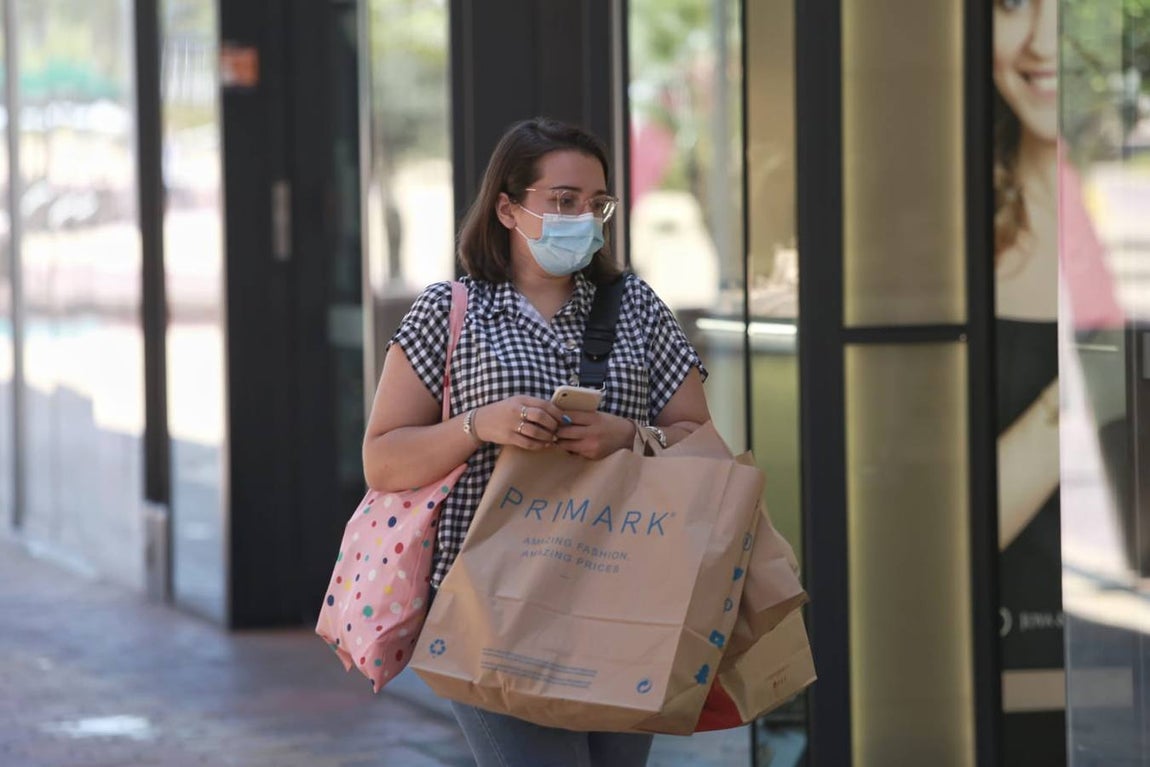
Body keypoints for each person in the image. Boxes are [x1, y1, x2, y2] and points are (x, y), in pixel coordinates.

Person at [362, 117, 711, 766]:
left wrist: (628, 435)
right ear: (507, 208)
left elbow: (701, 440)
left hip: (623, 594)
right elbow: (382, 460)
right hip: (490, 599)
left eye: (596, 203)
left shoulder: (636, 307)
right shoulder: (448, 311)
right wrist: (478, 425)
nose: (583, 217)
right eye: (563, 200)